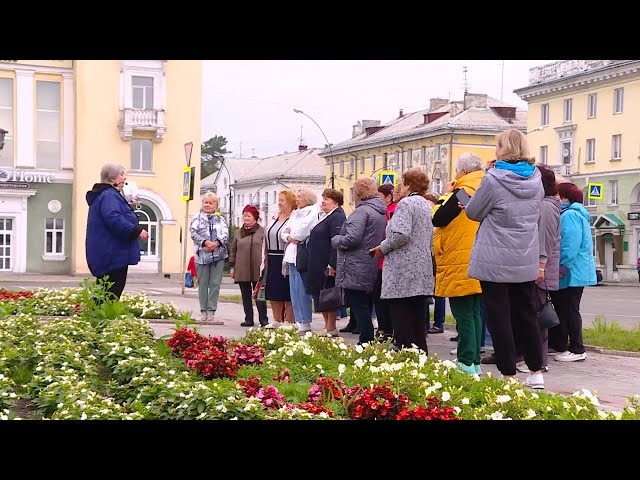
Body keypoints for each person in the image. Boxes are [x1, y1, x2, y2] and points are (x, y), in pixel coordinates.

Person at [465, 128, 545, 389]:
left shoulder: (493, 179)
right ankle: (535, 372)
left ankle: (508, 375)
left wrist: (488, 176)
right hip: (524, 257)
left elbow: (474, 213)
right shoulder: (537, 178)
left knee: (499, 318)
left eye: (498, 145)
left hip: (494, 259)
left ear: (504, 149)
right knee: (527, 315)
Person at [431, 153, 485, 375]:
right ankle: (474, 362)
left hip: (458, 260)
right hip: (478, 256)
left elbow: (437, 217)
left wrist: (446, 192)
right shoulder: (484, 188)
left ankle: (465, 363)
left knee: (463, 313)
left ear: (463, 172)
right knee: (474, 313)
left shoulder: (461, 192)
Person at [371, 168, 434, 352]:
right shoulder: (424, 204)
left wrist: (381, 248)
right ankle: (419, 356)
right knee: (416, 319)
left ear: (408, 184)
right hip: (420, 267)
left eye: (403, 182)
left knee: (402, 317)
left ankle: (406, 355)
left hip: (403, 270)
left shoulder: (406, 204)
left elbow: (400, 234)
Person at [516, 164, 560, 373]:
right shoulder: (545, 204)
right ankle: (535, 358)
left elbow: (544, 240)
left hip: (540, 268)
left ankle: (539, 361)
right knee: (534, 313)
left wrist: (540, 267)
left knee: (539, 316)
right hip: (537, 266)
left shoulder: (545, 206)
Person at [332, 177, 387, 345]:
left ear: (358, 193)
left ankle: (366, 340)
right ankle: (367, 339)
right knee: (364, 303)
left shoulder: (361, 212)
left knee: (358, 304)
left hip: (355, 264)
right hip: (369, 262)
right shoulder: (378, 211)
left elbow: (352, 238)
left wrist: (336, 240)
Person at [548, 182, 597, 362]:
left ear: (565, 197)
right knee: (564, 308)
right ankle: (562, 345)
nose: (556, 199)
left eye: (557, 196)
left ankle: (577, 348)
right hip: (574, 271)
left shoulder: (569, 216)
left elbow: (569, 245)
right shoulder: (576, 214)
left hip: (571, 272)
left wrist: (561, 266)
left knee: (569, 310)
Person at [85, 164, 148, 300]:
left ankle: (101, 319)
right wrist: (136, 230)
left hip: (108, 253)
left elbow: (113, 213)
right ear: (113, 178)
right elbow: (113, 218)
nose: (124, 178)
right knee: (110, 294)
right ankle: (105, 320)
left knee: (105, 292)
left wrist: (127, 206)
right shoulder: (109, 196)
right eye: (121, 174)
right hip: (112, 254)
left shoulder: (107, 195)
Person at [306, 189, 347, 336]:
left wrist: (332, 263)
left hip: (327, 263)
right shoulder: (325, 216)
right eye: (323, 198)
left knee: (328, 295)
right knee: (319, 293)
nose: (323, 201)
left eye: (327, 199)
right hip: (317, 261)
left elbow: (336, 241)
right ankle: (326, 326)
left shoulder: (337, 217)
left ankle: (331, 327)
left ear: (336, 202)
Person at [282, 189, 319, 334]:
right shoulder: (295, 213)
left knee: (302, 290)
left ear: (308, 199)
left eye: (300, 196)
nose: (297, 199)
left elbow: (301, 233)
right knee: (294, 291)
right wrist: (290, 236)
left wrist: (291, 235)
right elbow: (284, 233)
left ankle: (305, 320)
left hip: (303, 256)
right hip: (291, 255)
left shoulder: (312, 212)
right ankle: (298, 320)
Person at [189, 192, 228, 323]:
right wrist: (206, 242)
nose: (208, 205)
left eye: (211, 203)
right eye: (206, 202)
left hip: (218, 256)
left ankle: (212, 310)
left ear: (216, 205)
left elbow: (225, 234)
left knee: (215, 284)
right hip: (202, 256)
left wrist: (216, 243)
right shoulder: (196, 218)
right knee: (203, 284)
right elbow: (193, 233)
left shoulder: (221, 219)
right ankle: (203, 311)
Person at [229, 205, 269, 327]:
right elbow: (233, 251)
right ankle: (249, 319)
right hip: (242, 268)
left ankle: (263, 319)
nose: (246, 218)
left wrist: (266, 266)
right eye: (244, 215)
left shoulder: (262, 232)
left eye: (249, 215)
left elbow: (266, 249)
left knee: (259, 296)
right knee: (245, 295)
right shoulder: (238, 233)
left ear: (255, 217)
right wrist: (232, 267)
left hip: (258, 269)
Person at [264, 189, 297, 327]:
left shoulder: (294, 218)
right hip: (271, 257)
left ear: (290, 202)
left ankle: (289, 320)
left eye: (282, 200)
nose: (279, 203)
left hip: (285, 258)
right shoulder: (274, 217)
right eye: (279, 200)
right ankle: (277, 319)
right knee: (273, 289)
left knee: (287, 289)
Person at [370, 183, 397, 340]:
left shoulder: (393, 211)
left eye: (380, 197)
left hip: (386, 259)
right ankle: (383, 327)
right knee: (378, 297)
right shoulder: (383, 211)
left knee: (384, 298)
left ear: (388, 197)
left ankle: (387, 329)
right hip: (379, 260)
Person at [424, 192, 446, 335]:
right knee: (430, 290)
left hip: (436, 256)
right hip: (430, 255)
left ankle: (439, 323)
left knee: (438, 292)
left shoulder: (436, 217)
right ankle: (431, 323)